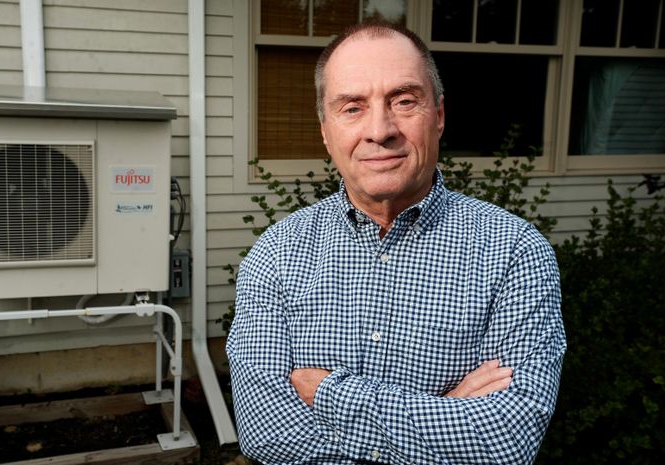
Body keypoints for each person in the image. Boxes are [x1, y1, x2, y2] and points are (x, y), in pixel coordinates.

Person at [226, 21, 566, 465]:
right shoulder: (277, 254)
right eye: (352, 107)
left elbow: (504, 442)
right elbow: (265, 435)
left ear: (439, 116)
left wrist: (331, 395)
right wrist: (448, 410)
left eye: (404, 102)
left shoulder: (515, 252)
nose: (380, 130)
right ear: (326, 131)